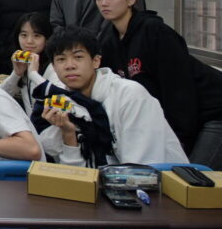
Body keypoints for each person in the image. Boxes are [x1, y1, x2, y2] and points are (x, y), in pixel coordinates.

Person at [95, 0, 222, 167]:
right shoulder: (109, 41)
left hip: (212, 112)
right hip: (176, 119)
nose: (104, 3)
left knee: (194, 178)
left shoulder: (155, 32)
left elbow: (179, 89)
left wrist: (179, 138)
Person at [38, 26, 187, 167]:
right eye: (61, 59)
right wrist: (68, 133)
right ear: (53, 67)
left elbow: (142, 169)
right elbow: (75, 176)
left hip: (161, 181)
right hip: (105, 182)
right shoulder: (64, 103)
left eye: (78, 57)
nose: (70, 65)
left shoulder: (130, 95)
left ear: (96, 61)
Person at [0, 12, 57, 116]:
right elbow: (0, 97)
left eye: (37, 36)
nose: (29, 41)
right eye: (24, 35)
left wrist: (34, 75)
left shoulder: (54, 66)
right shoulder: (24, 63)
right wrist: (16, 74)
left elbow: (59, 99)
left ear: (47, 39)